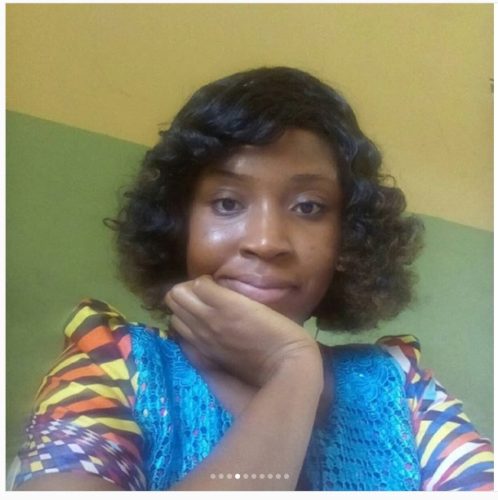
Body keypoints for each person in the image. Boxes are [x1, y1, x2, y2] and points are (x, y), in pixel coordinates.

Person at [11, 67, 493, 491]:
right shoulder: (111, 363)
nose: (265, 242)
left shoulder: (399, 385)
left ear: (347, 236)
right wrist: (292, 373)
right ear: (178, 223)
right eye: (227, 203)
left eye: (309, 207)